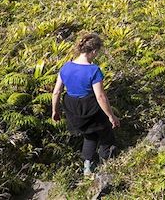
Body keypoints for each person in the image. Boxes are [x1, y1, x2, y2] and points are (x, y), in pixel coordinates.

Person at [51, 32, 119, 177]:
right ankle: (107, 163)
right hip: (90, 106)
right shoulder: (93, 70)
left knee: (89, 135)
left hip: (72, 107)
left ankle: (87, 166)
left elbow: (56, 92)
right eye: (97, 52)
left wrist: (55, 111)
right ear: (93, 51)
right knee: (106, 134)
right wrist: (111, 116)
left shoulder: (66, 67)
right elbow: (100, 96)